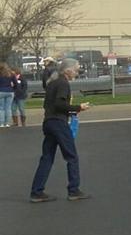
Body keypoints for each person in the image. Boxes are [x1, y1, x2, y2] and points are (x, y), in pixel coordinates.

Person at [29, 58, 91, 203]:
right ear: (68, 70)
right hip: (58, 123)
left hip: (48, 122)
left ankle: (36, 191)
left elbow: (49, 105)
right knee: (71, 156)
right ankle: (74, 190)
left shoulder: (52, 83)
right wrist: (78, 107)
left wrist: (72, 111)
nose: (77, 73)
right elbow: (59, 104)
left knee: (47, 157)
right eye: (76, 70)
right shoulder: (63, 83)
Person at [0, 63, 14, 128]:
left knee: (1, 108)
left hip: (1, 91)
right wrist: (14, 89)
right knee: (8, 108)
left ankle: (1, 123)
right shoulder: (11, 74)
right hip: (10, 91)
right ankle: (7, 123)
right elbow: (15, 83)